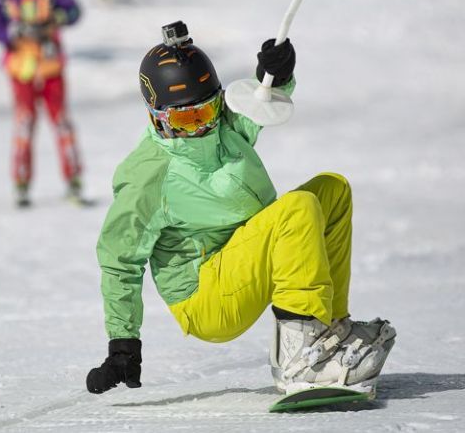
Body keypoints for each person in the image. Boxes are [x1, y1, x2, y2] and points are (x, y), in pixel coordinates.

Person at [85, 21, 396, 396]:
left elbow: (254, 108)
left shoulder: (220, 129)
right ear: (158, 116)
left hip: (240, 262)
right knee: (296, 210)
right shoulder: (149, 176)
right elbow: (119, 259)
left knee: (331, 190)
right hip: (206, 299)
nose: (201, 126)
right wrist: (123, 346)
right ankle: (299, 358)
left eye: (208, 110)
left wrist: (274, 75)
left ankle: (327, 327)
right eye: (187, 118)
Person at [0, 0, 84, 208]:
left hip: (51, 66)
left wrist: (57, 19)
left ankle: (74, 181)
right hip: (22, 69)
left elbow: (74, 11)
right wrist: (13, 34)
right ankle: (21, 182)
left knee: (61, 122)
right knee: (25, 124)